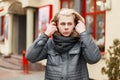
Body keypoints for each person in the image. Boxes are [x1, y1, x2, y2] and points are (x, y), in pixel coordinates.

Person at [26, 8, 101, 80]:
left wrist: (83, 33)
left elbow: (94, 59)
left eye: (69, 24)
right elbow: (30, 57)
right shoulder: (50, 43)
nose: (66, 27)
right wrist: (45, 35)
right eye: (62, 24)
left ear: (75, 25)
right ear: (56, 25)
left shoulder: (81, 42)